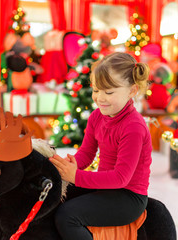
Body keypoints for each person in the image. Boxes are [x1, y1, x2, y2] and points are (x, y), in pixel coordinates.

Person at [49, 52, 153, 240]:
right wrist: (70, 165)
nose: (100, 98)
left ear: (132, 90)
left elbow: (121, 178)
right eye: (96, 90)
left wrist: (76, 176)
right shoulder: (97, 117)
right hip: (107, 186)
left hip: (128, 197)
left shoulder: (134, 127)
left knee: (67, 216)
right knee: (54, 196)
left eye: (109, 92)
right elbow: (87, 153)